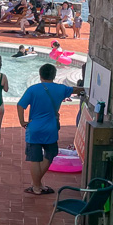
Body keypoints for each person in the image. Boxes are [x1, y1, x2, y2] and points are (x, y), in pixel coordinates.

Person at [17, 63, 84, 195]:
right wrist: (86, 88)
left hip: (34, 129)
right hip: (51, 129)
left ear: (40, 75)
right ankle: (38, 184)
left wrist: (22, 121)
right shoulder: (61, 89)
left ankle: (36, 186)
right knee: (51, 153)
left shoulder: (33, 89)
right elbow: (75, 90)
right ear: (54, 75)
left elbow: (20, 105)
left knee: (35, 158)